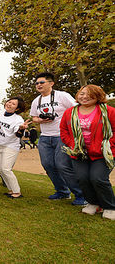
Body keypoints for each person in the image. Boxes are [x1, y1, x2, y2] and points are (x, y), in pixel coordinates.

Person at [29, 72, 86, 205]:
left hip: (62, 135)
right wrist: (41, 120)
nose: (38, 85)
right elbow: (34, 118)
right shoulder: (36, 101)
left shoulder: (62, 95)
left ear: (51, 83)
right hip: (45, 137)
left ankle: (81, 195)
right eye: (37, 83)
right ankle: (62, 192)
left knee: (62, 165)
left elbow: (77, 109)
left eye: (41, 82)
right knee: (48, 165)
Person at [60, 85, 115, 220]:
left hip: (103, 153)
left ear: (98, 96)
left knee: (98, 178)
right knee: (82, 179)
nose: (84, 97)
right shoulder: (69, 112)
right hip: (79, 152)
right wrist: (74, 145)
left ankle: (109, 206)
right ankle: (93, 203)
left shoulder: (109, 111)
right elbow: (64, 131)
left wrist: (108, 145)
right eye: (82, 94)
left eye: (89, 95)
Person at [0, 97, 31, 198]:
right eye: (9, 102)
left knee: (6, 169)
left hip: (10, 146)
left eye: (13, 104)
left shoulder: (18, 119)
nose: (9, 104)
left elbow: (18, 135)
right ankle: (10, 189)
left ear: (17, 108)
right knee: (0, 169)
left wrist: (21, 129)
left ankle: (17, 192)